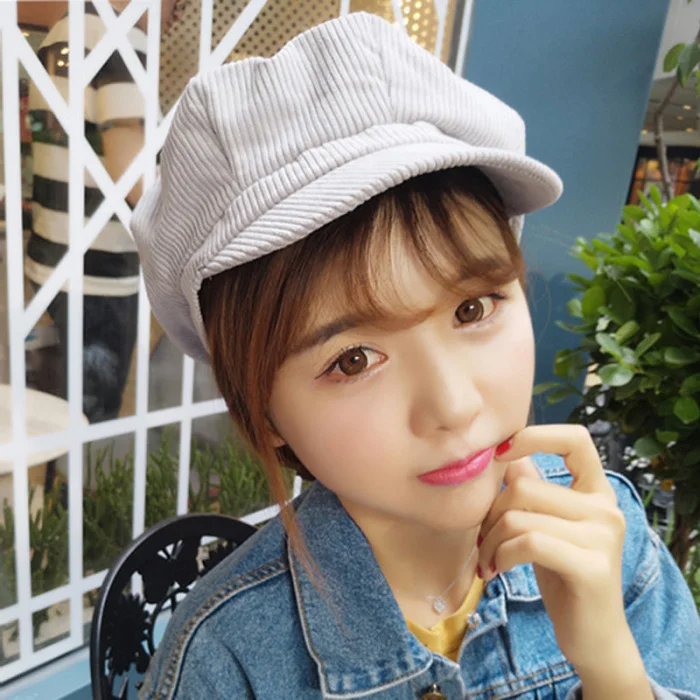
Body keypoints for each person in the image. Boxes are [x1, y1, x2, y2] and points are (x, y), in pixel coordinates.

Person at [131, 13, 700, 700]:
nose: (454, 405)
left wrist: (610, 666)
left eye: (473, 309)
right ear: (265, 412)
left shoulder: (611, 534)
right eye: (353, 359)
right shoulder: (226, 661)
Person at [25, 0, 182, 422]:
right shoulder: (121, 35)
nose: (180, 14)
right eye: (180, 3)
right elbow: (132, 168)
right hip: (99, 274)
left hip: (52, 261)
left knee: (56, 418)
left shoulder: (64, 29)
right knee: (90, 425)